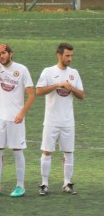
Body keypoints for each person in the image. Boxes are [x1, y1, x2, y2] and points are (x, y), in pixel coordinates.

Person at [0, 44, 35, 197]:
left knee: (17, 150)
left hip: (15, 118)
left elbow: (31, 95)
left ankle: (20, 186)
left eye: (3, 53)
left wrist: (22, 113)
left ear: (11, 53)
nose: (1, 57)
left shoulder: (22, 69)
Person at [36, 43, 85, 196]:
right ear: (59, 55)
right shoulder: (48, 72)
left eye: (71, 56)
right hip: (51, 120)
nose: (70, 58)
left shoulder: (74, 73)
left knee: (69, 152)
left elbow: (82, 95)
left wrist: (72, 89)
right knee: (47, 151)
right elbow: (39, 91)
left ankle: (67, 183)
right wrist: (58, 84)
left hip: (68, 121)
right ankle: (44, 184)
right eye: (67, 56)